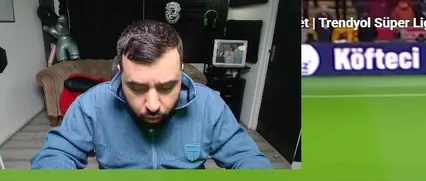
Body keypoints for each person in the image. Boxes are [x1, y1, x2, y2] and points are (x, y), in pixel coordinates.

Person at [31, 20, 271, 169]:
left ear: (181, 70)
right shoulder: (92, 104)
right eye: (137, 88)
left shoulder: (209, 104)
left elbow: (247, 158)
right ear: (120, 71)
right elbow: (57, 153)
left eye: (167, 87)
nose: (153, 105)